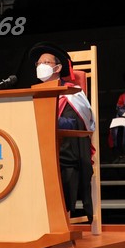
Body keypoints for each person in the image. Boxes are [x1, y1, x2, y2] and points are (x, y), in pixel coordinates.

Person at [30, 42, 95, 223]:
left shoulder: (72, 93)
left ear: (58, 68)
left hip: (66, 146)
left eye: (46, 62)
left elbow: (74, 123)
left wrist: (47, 121)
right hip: (42, 145)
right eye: (38, 63)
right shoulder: (35, 93)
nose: (40, 66)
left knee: (64, 156)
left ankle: (59, 213)